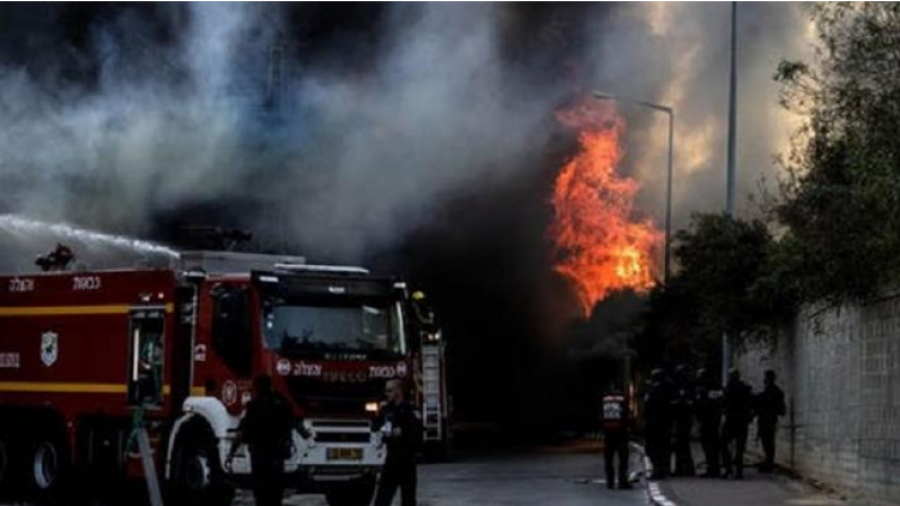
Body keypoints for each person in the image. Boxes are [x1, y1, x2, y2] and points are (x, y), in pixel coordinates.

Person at [226, 374, 294, 506]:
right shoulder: (281, 403)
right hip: (276, 455)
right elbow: (290, 425)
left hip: (259, 455)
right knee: (275, 491)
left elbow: (243, 431)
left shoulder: (253, 406)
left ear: (257, 388)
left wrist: (231, 453)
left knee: (261, 492)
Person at [373, 378, 422, 506]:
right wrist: (379, 417)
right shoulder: (386, 409)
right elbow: (375, 427)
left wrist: (403, 431)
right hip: (392, 458)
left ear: (398, 391)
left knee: (408, 499)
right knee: (382, 497)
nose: (386, 394)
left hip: (407, 460)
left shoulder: (410, 409)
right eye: (385, 391)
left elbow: (418, 432)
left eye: (389, 391)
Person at [720, 368, 754, 479]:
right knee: (740, 446)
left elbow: (723, 403)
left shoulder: (729, 388)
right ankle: (739, 472)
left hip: (731, 420)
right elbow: (751, 405)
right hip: (742, 421)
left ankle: (728, 468)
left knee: (723, 443)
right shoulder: (745, 389)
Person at [601, 383, 632, 490]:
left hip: (608, 433)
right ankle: (622, 481)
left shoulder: (604, 400)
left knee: (608, 459)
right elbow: (627, 415)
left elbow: (601, 416)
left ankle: (610, 482)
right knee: (623, 458)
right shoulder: (622, 400)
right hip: (621, 433)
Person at [693, 368, 723, 477]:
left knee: (711, 446)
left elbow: (715, 404)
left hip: (710, 422)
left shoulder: (712, 389)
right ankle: (712, 467)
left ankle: (713, 469)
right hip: (707, 421)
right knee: (708, 446)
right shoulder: (704, 390)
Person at [755, 370, 786, 473]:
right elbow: (782, 409)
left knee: (767, 442)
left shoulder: (770, 391)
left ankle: (769, 463)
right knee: (769, 442)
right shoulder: (776, 391)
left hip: (766, 419)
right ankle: (769, 462)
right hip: (770, 419)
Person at [643, 368, 672, 479]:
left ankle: (658, 469)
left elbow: (648, 407)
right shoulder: (668, 389)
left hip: (654, 423)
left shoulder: (654, 391)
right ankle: (663, 469)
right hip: (665, 423)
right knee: (663, 447)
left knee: (652, 448)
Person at [671, 365, 696, 477]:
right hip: (684, 419)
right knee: (682, 445)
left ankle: (683, 469)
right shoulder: (687, 386)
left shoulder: (682, 386)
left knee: (682, 445)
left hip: (682, 419)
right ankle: (684, 468)